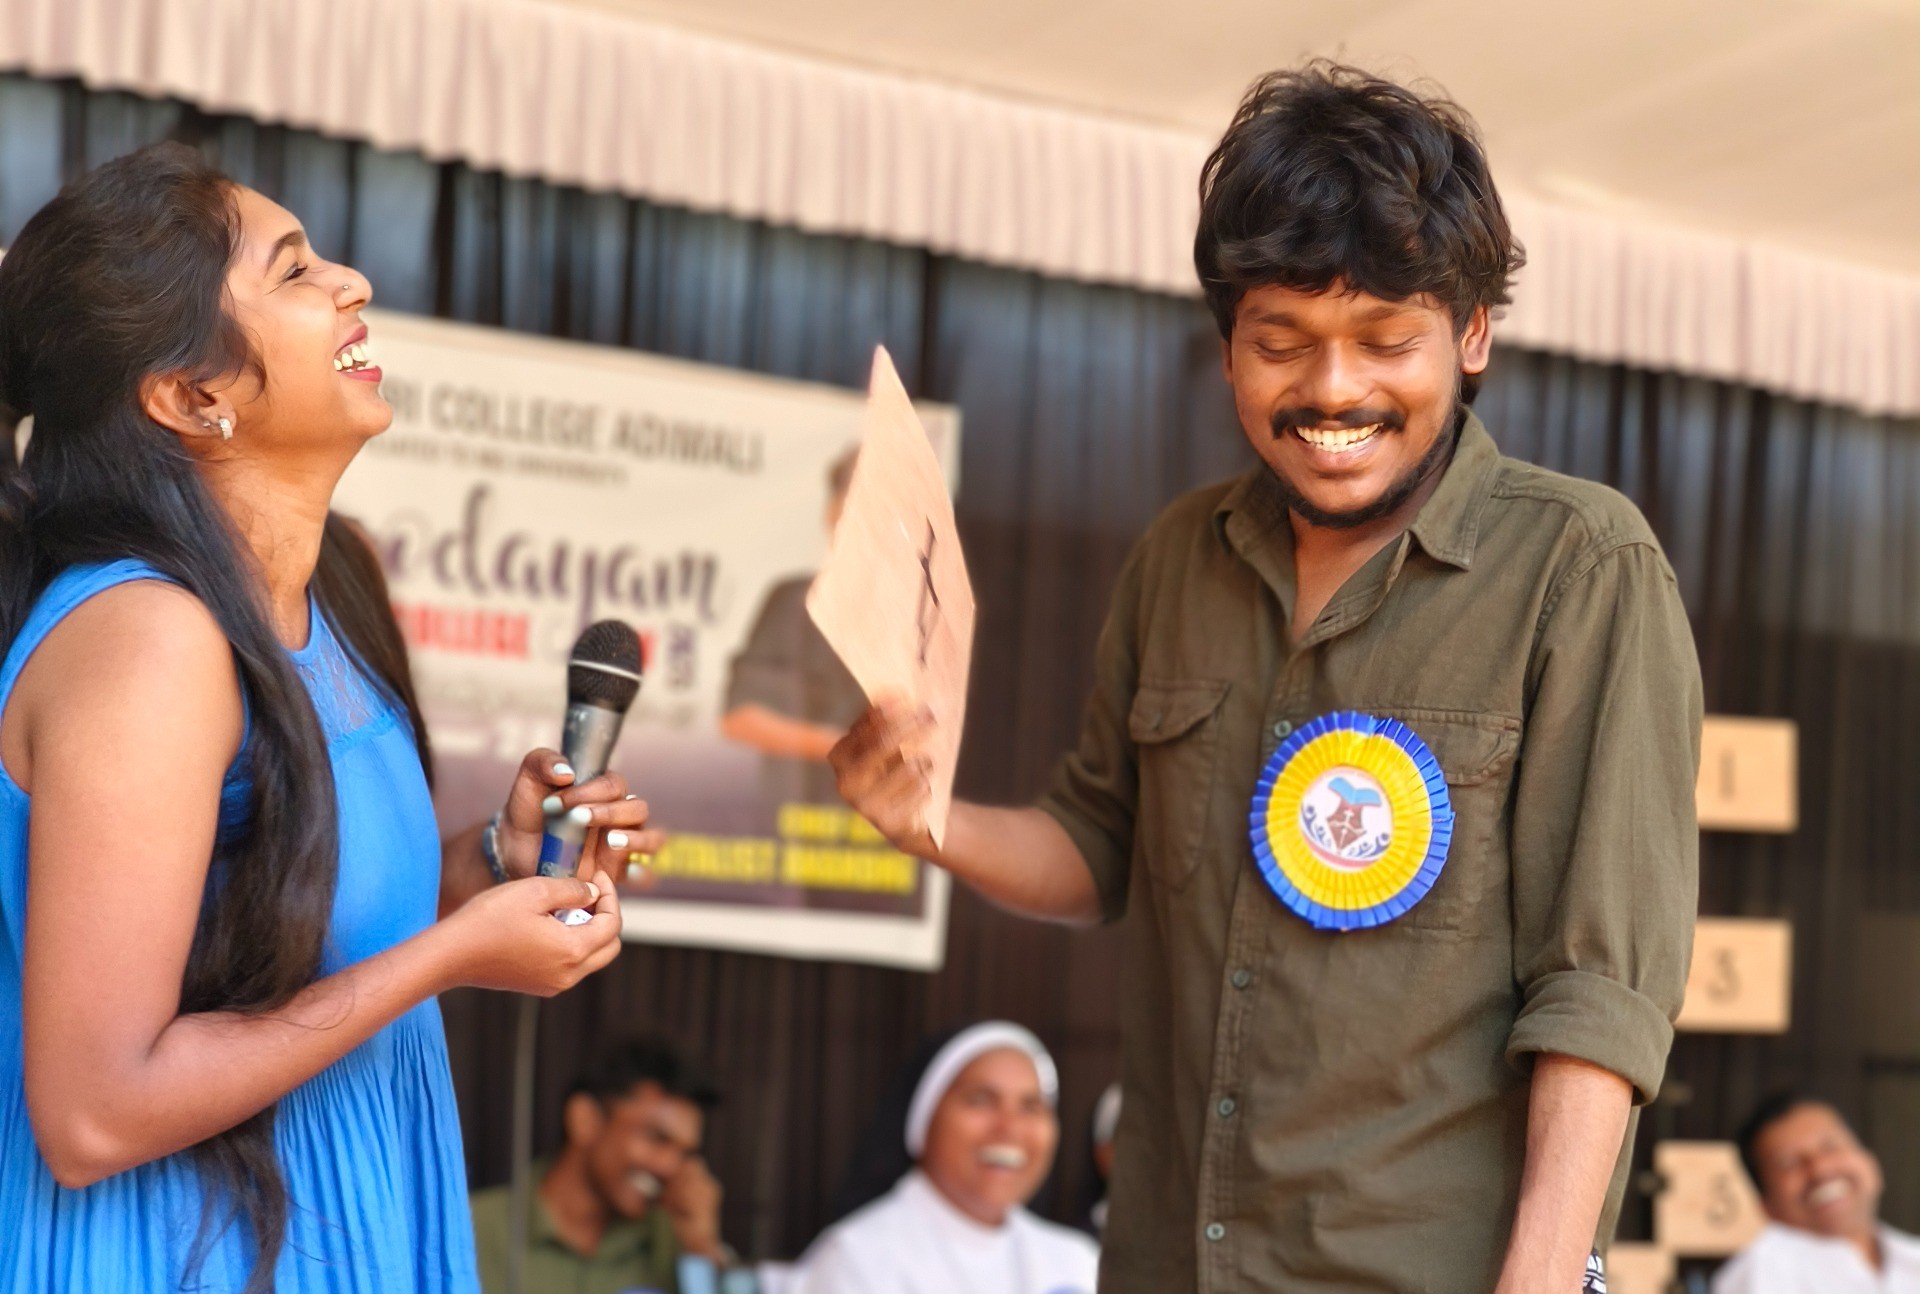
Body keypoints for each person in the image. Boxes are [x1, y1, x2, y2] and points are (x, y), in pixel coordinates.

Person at [830, 63, 1701, 1294]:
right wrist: (925, 820)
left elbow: (1601, 994)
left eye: (1385, 340)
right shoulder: (1181, 555)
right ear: (1226, 348)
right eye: (1280, 342)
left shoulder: (1581, 565)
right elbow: (1100, 844)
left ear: (1472, 332)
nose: (1333, 391)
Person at [0, 143, 653, 1292]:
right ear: (190, 396)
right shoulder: (149, 641)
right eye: (296, 271)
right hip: (186, 1247)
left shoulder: (331, 584)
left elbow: (280, 919)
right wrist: (454, 957)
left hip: (340, 1218)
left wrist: (494, 867)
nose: (351, 280)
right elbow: (94, 1111)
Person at [791, 1022, 1099, 1294]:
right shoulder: (858, 1260)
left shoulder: (1075, 1260)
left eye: (1031, 1106)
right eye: (981, 1100)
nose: (1010, 1128)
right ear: (923, 1122)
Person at [470, 1035, 732, 1294]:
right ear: (585, 1120)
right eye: (656, 1138)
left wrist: (702, 1246)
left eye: (684, 1153)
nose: (671, 1167)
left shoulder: (678, 1246)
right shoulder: (470, 1229)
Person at [721, 446, 866, 807]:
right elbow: (742, 717)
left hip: (884, 850)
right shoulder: (794, 601)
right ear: (833, 512)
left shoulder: (915, 620)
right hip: (796, 834)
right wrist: (846, 747)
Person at [1713, 1094, 1920, 1293]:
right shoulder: (1760, 1273)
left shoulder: (1913, 1258)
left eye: (1830, 1147)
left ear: (1870, 1163)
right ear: (1766, 1205)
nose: (1820, 1169)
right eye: (1790, 1163)